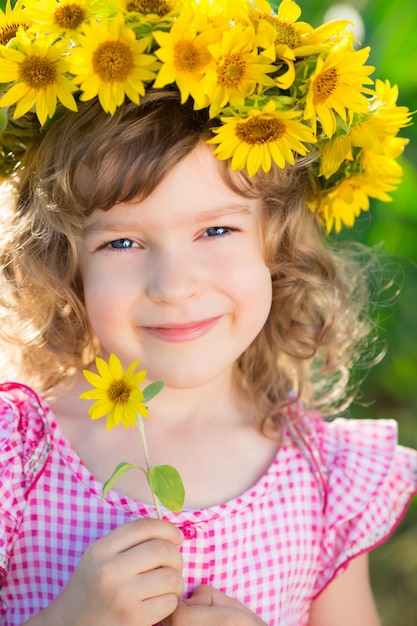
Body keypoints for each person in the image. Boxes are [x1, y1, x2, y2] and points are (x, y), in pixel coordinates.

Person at [0, 0, 415, 624]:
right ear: (65, 262)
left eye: (216, 230)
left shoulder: (322, 477)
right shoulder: (15, 460)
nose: (174, 284)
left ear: (276, 243)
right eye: (121, 242)